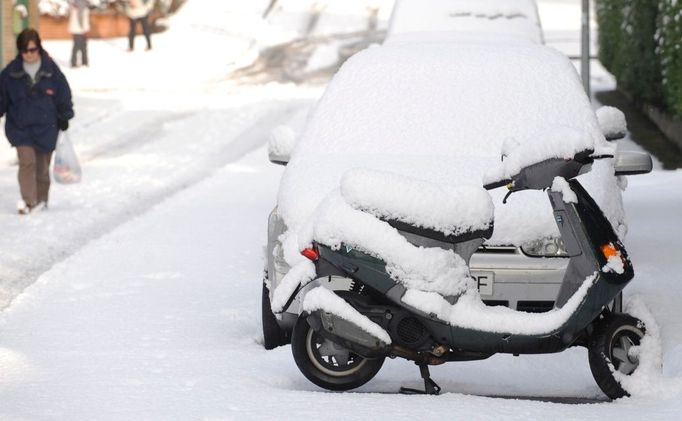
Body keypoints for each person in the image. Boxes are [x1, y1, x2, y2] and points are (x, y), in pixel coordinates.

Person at [0, 29, 74, 215]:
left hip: (46, 127)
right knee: (27, 163)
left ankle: (42, 200)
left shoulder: (51, 70)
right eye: (25, 51)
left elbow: (63, 94)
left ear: (39, 48)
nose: (29, 54)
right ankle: (29, 201)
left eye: (33, 50)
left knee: (42, 169)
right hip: (20, 128)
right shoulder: (10, 73)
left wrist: (65, 115)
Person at [68, 0, 91, 68]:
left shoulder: (77, 2)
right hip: (79, 29)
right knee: (79, 46)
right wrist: (84, 29)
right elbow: (80, 16)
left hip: (77, 29)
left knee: (80, 46)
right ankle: (77, 63)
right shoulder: (81, 2)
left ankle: (82, 63)